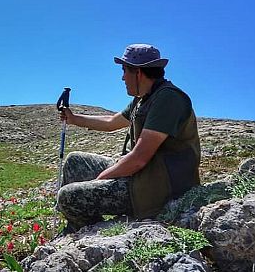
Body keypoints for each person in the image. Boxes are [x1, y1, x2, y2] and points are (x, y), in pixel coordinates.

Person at [57, 44, 201, 232]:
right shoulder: (143, 99)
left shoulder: (168, 99)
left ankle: (91, 232)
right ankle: (80, 226)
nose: (123, 77)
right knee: (75, 161)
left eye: (125, 71)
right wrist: (74, 119)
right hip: (143, 174)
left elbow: (139, 158)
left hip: (160, 186)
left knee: (68, 196)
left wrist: (101, 179)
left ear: (138, 72)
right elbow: (110, 122)